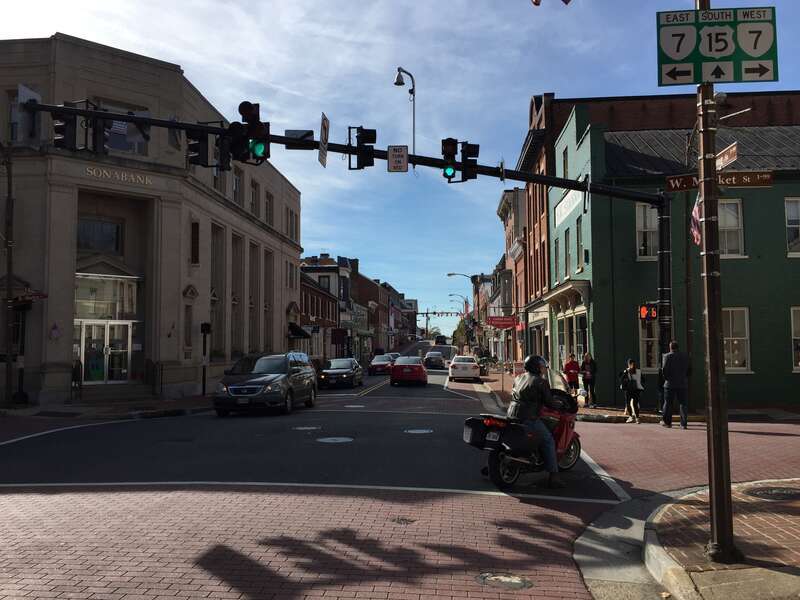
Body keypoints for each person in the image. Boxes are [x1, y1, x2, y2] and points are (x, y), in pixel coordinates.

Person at [507, 355, 566, 489]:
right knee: (548, 440)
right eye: (542, 366)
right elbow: (549, 402)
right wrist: (560, 404)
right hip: (528, 417)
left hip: (511, 415)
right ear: (537, 367)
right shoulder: (540, 381)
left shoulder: (518, 378)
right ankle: (554, 476)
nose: (544, 368)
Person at [661, 340, 690, 429]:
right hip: (682, 383)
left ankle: (667, 422)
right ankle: (683, 423)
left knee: (668, 403)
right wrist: (684, 378)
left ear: (670, 347)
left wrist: (667, 379)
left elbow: (664, 370)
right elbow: (689, 369)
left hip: (670, 384)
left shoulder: (666, 356)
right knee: (683, 404)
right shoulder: (685, 356)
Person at [619, 358, 644, 423]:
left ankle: (630, 417)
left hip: (629, 389)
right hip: (637, 389)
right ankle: (637, 418)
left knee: (628, 403)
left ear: (628, 364)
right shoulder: (639, 371)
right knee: (635, 404)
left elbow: (621, 379)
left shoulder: (627, 371)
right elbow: (644, 380)